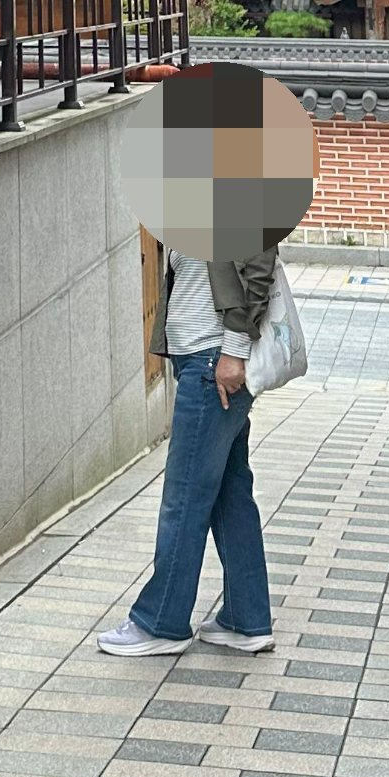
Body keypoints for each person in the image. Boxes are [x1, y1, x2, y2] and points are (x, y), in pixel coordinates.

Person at [97, 234, 281, 657]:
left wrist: (234, 351)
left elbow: (258, 266)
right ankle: (246, 619)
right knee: (229, 496)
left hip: (214, 363)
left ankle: (162, 621)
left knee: (184, 496)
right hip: (203, 360)